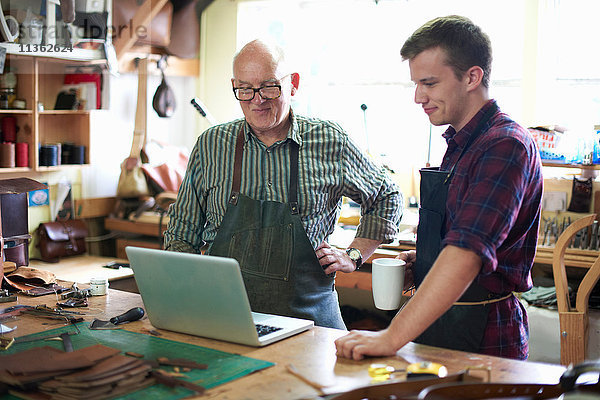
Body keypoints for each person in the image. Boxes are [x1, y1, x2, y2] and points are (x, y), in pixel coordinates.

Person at [335, 15, 543, 360]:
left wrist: (389, 338)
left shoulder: (505, 146)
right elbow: (458, 238)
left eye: (429, 83)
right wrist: (426, 262)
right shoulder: (461, 144)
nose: (418, 97)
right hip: (440, 326)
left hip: (482, 333)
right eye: (416, 84)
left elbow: (466, 256)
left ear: (472, 77)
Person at [163, 39, 402, 330]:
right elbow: (180, 236)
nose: (257, 99)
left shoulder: (328, 140)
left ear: (293, 84)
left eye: (269, 86)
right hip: (228, 319)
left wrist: (354, 254)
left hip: (312, 323)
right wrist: (183, 300)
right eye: (245, 89)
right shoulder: (212, 145)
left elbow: (386, 196)